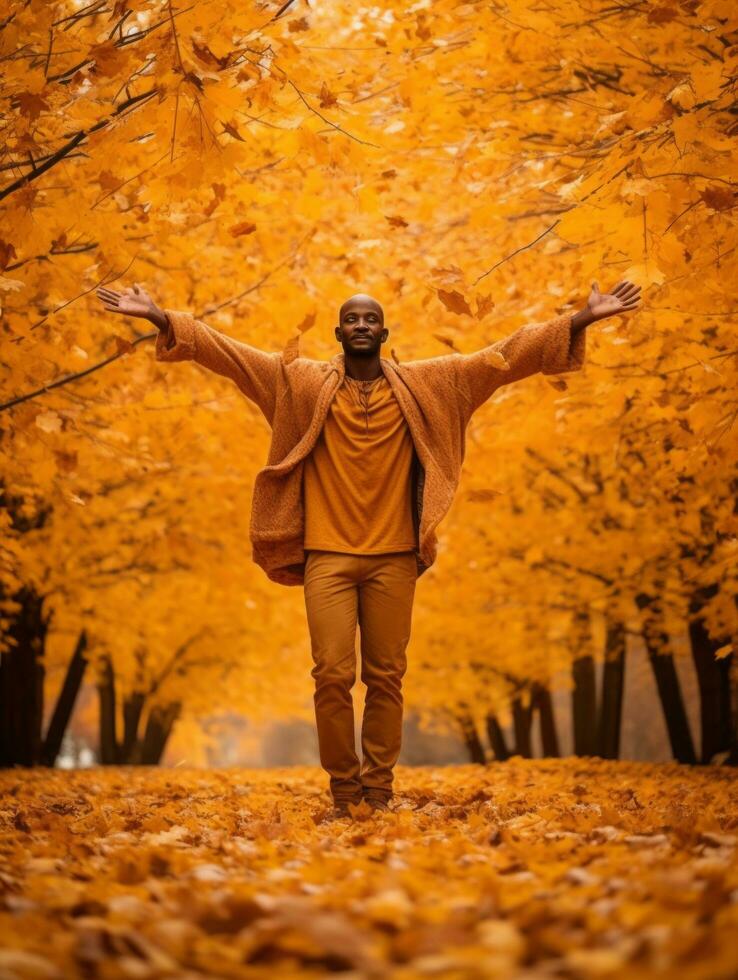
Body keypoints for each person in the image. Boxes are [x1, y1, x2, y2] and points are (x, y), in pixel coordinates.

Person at [95, 280, 641, 819]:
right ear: (339, 332)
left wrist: (578, 320)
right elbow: (232, 356)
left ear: (384, 331)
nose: (361, 325)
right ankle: (343, 790)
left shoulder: (434, 384)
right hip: (326, 557)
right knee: (331, 673)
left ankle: (377, 792)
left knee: (385, 677)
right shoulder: (300, 382)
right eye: (352, 319)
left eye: (370, 319)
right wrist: (164, 319)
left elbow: (502, 356)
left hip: (395, 557)